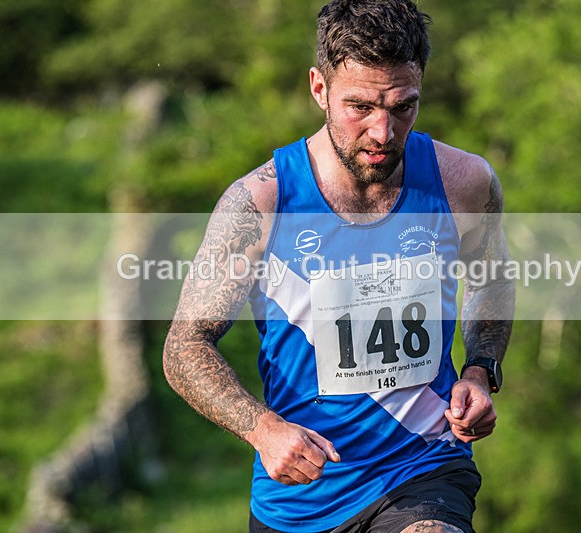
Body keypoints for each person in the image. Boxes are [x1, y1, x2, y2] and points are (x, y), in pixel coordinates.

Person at [163, 1, 515, 531]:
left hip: (422, 468)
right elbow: (184, 347)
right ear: (319, 89)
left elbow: (492, 279)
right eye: (361, 107)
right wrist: (262, 429)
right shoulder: (262, 202)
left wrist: (480, 370)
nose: (383, 132)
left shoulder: (464, 182)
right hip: (303, 496)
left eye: (403, 107)